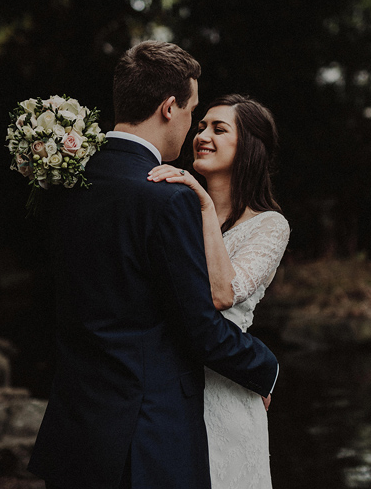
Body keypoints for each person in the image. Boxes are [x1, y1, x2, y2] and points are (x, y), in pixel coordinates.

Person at [27, 42, 279, 489]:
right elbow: (199, 326)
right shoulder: (167, 199)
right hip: (144, 437)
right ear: (169, 108)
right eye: (193, 114)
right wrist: (266, 367)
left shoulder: (61, 182)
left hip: (74, 425)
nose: (195, 129)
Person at [148, 94, 290, 489]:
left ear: (250, 147)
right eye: (201, 125)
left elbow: (223, 294)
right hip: (171, 393)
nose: (202, 135)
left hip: (229, 393)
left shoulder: (270, 226)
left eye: (218, 128)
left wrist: (207, 209)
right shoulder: (176, 209)